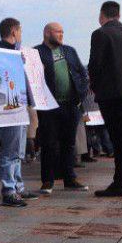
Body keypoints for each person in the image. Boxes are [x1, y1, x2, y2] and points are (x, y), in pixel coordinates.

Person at [87, 2, 122, 196]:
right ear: (119, 14)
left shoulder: (100, 34)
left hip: (111, 92)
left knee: (119, 137)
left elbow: (95, 65)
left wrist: (95, 86)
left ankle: (120, 183)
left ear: (102, 15)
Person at [34, 22, 90, 194]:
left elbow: (82, 73)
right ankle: (47, 181)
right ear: (47, 33)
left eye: (62, 32)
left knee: (69, 143)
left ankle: (69, 179)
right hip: (49, 107)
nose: (61, 35)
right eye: (58, 32)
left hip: (71, 105)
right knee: (49, 144)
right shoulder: (36, 52)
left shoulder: (69, 51)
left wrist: (81, 94)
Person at [0, 18, 35, 207]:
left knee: (18, 150)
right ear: (14, 32)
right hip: (8, 109)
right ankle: (9, 190)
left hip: (19, 106)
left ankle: (17, 186)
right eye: (20, 31)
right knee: (10, 150)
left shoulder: (14, 53)